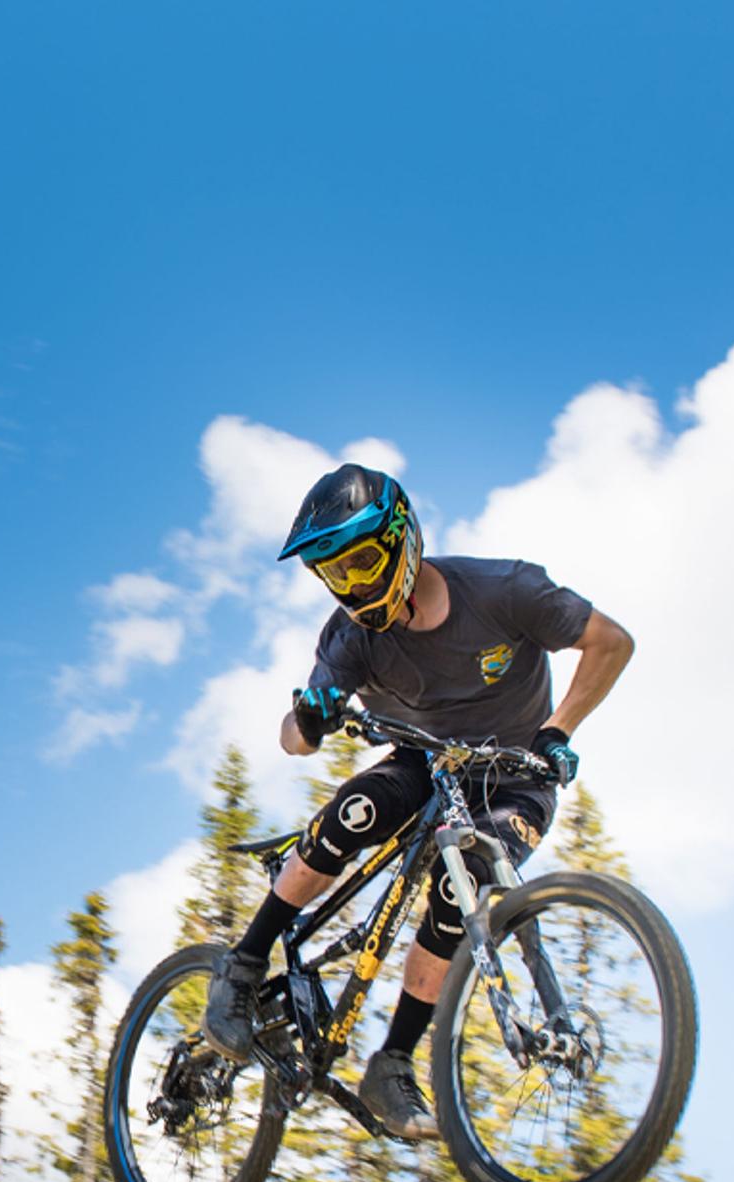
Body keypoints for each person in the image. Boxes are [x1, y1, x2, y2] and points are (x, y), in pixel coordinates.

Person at [198, 462, 637, 1142]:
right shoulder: (352, 637)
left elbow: (610, 642)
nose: (351, 588)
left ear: (403, 539)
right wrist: (308, 718)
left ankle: (394, 1061)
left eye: (361, 563)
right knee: (355, 814)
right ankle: (243, 966)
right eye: (333, 576)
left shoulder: (506, 589)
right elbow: (294, 741)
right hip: (423, 765)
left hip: (515, 779)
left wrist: (558, 731)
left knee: (463, 892)